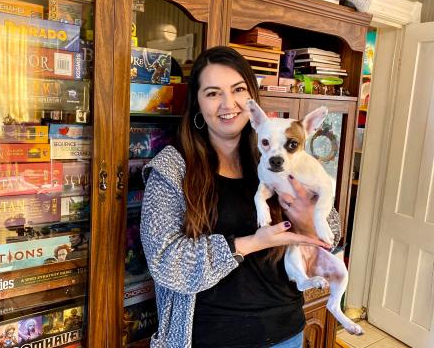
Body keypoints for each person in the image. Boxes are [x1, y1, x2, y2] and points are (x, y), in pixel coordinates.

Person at [140, 46, 341, 348]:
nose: (228, 104)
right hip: (208, 336)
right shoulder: (172, 168)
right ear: (196, 102)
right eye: (212, 93)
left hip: (286, 331)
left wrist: (307, 220)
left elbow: (332, 235)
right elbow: (165, 262)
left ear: (252, 101)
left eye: (238, 90)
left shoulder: (280, 155)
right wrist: (251, 243)